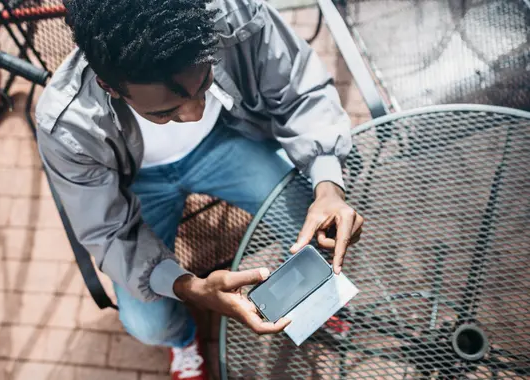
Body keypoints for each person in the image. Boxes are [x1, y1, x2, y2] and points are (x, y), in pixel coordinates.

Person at [36, 0, 364, 378]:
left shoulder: (233, 12)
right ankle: (182, 340)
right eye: (163, 112)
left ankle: (317, 303)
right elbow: (109, 235)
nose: (192, 113)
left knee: (315, 228)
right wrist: (188, 288)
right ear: (109, 86)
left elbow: (299, 91)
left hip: (224, 140)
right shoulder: (65, 124)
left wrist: (327, 188)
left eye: (204, 83)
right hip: (141, 182)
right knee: (148, 325)